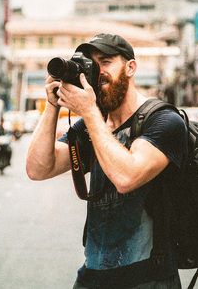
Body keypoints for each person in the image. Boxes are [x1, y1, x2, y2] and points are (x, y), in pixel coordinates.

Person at [26, 33, 187, 289]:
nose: (97, 71)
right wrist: (53, 105)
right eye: (91, 64)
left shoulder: (164, 121)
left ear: (131, 67)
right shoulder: (94, 124)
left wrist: (89, 111)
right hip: (93, 275)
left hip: (147, 277)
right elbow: (38, 168)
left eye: (106, 61)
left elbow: (127, 178)